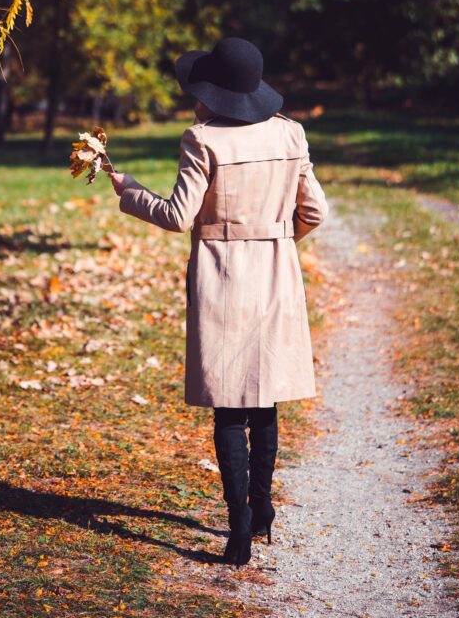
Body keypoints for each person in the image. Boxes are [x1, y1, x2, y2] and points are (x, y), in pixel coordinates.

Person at [108, 36, 328, 567]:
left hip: (222, 278)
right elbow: (314, 212)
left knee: (229, 407)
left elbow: (178, 215)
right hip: (276, 276)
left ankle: (238, 531)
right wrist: (275, 241)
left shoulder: (202, 140)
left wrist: (129, 191)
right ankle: (263, 508)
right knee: (265, 398)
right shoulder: (291, 134)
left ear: (214, 95)